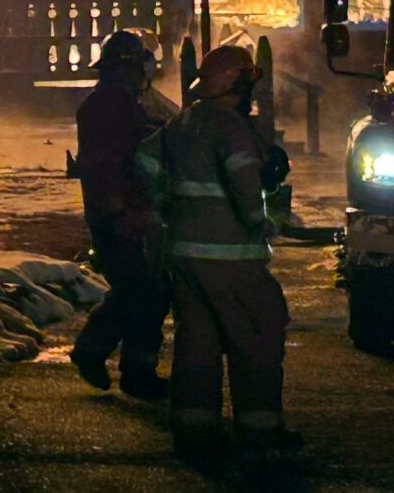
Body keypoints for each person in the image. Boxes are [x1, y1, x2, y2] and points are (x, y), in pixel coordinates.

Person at [137, 43, 300, 459]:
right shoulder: (231, 128)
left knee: (198, 343)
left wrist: (166, 204)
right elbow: (246, 186)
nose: (251, 93)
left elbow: (145, 162)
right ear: (235, 82)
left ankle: (195, 433)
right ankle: (259, 430)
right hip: (230, 256)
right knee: (259, 333)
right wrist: (261, 220)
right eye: (248, 82)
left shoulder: (181, 123)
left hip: (184, 255)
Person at [68, 29, 177, 398]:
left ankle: (128, 367)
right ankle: (104, 357)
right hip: (119, 216)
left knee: (144, 290)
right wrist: (123, 215)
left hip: (124, 213)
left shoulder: (116, 104)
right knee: (142, 290)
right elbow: (114, 164)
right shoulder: (109, 107)